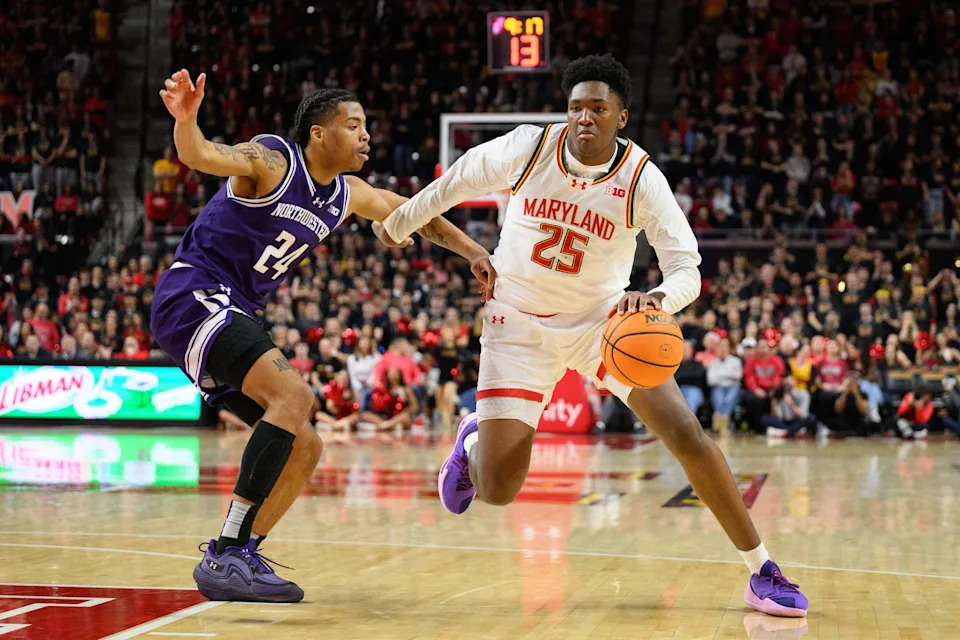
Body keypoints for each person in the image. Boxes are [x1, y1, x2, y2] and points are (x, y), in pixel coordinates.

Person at [374, 55, 807, 617]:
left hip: (603, 324)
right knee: (499, 491)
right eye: (576, 106)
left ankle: (761, 570)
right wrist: (401, 222)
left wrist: (655, 300)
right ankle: (474, 442)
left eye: (597, 108)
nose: (584, 117)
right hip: (518, 323)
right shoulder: (528, 147)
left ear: (620, 116)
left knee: (686, 434)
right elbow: (453, 182)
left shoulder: (641, 177)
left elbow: (688, 269)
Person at [153, 70, 492, 602]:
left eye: (366, 126)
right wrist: (186, 119)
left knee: (306, 446)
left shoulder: (346, 193)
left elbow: (414, 214)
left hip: (233, 307)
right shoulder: (272, 161)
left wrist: (474, 252)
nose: (366, 136)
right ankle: (226, 554)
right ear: (318, 133)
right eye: (353, 125)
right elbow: (203, 155)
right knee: (295, 394)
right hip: (193, 293)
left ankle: (238, 550)